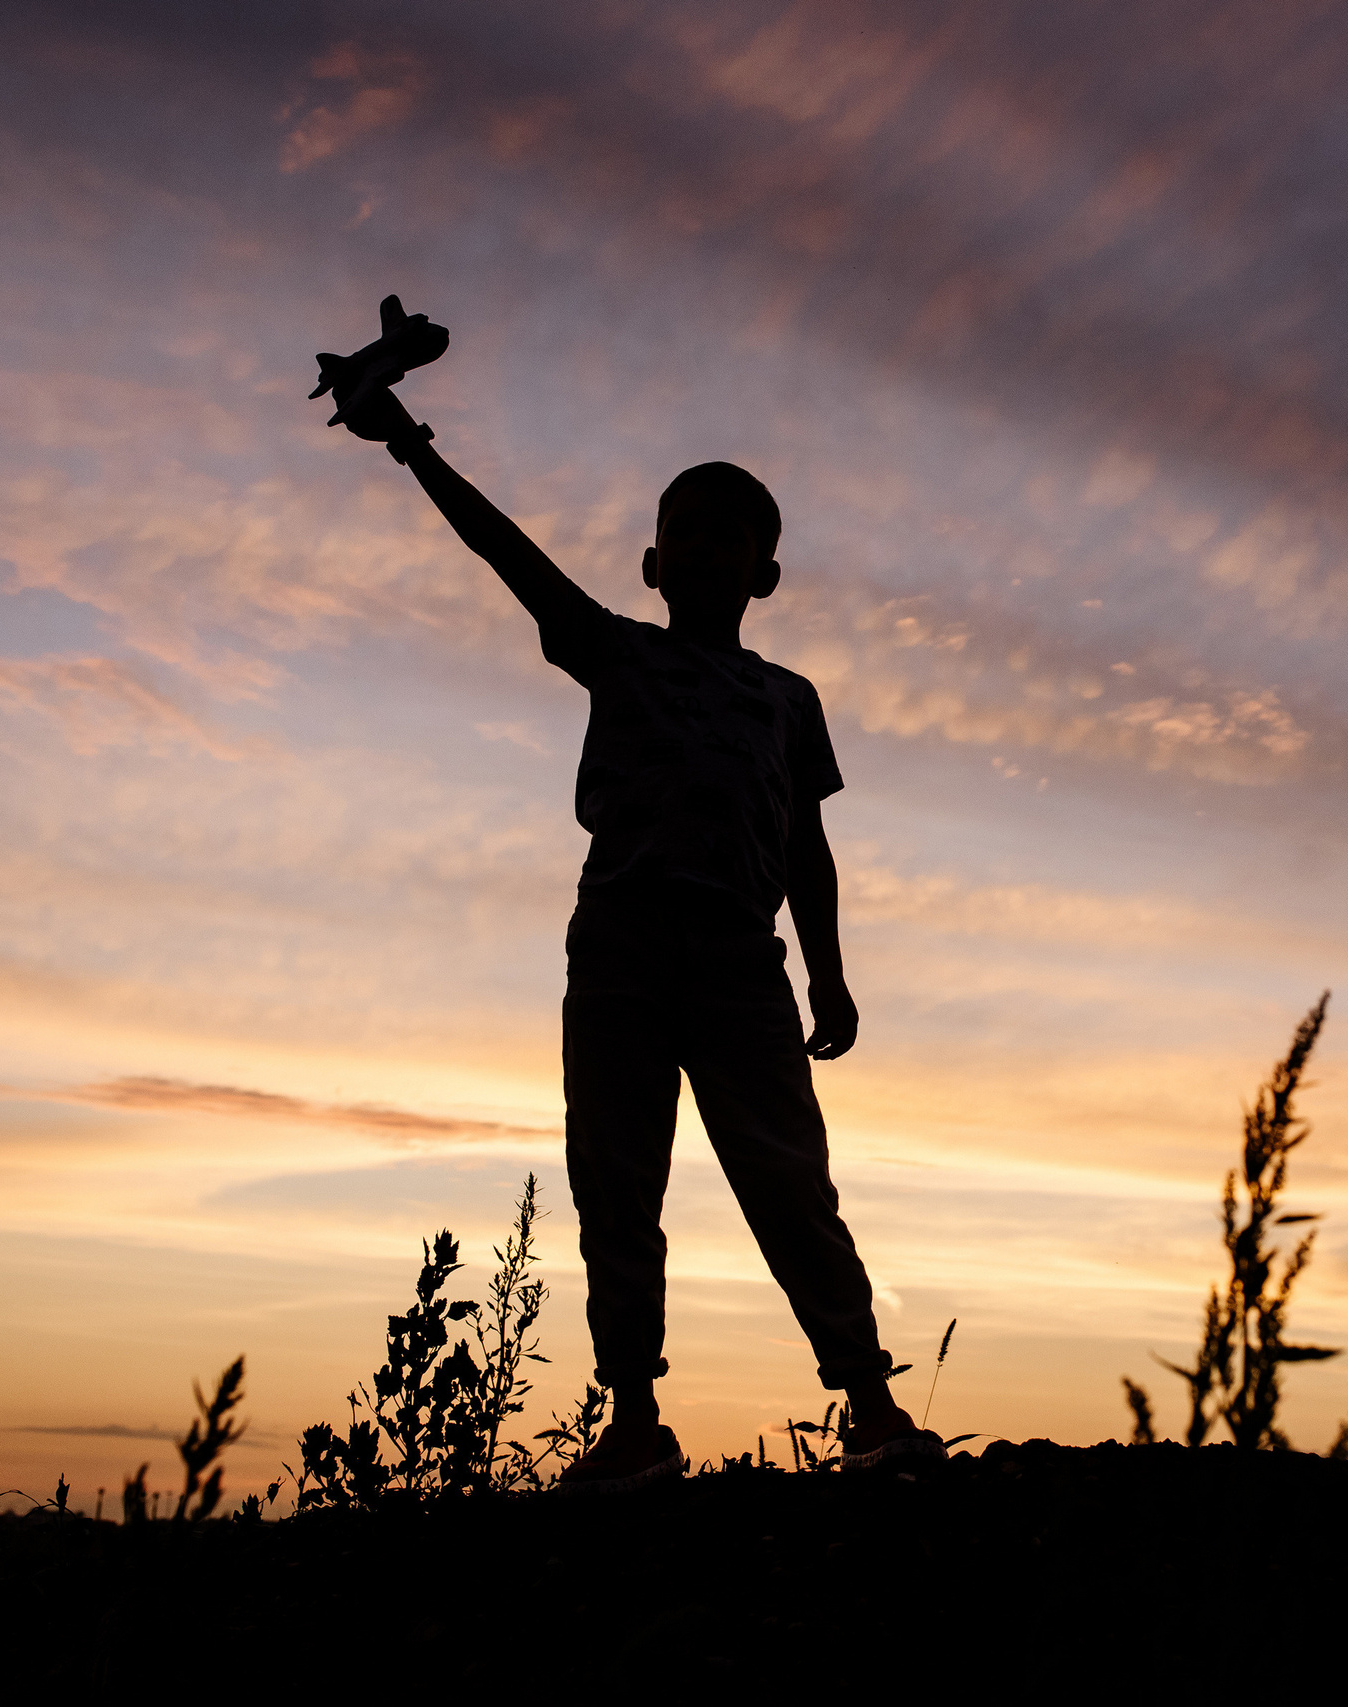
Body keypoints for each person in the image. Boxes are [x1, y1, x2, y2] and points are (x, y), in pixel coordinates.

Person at [329, 337, 939, 1490]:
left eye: (734, 538)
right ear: (655, 565)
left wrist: (831, 972)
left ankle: (868, 1400)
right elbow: (504, 550)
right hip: (619, 950)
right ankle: (633, 1423)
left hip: (740, 968)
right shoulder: (613, 652)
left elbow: (807, 842)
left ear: (765, 573)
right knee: (618, 1181)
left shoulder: (788, 701)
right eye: (689, 534)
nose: (709, 552)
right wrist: (407, 442)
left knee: (789, 1181)